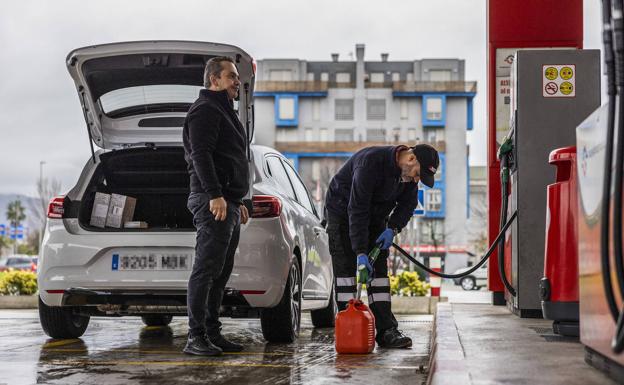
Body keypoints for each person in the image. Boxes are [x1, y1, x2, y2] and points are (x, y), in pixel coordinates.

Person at [325, 144, 439, 348]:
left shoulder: (408, 179)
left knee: (378, 276)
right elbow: (357, 209)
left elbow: (408, 205)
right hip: (343, 214)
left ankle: (387, 331)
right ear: (411, 159)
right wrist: (360, 252)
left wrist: (392, 228)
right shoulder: (370, 163)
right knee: (347, 275)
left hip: (376, 217)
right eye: (417, 174)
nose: (416, 180)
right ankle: (348, 328)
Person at [182, 56, 250, 356]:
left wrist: (239, 199)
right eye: (231, 76)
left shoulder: (224, 110)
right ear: (214, 80)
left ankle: (211, 332)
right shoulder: (205, 110)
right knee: (206, 270)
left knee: (220, 272)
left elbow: (232, 159)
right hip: (214, 202)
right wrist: (215, 195)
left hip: (228, 202)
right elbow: (201, 155)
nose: (237, 82)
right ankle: (194, 337)